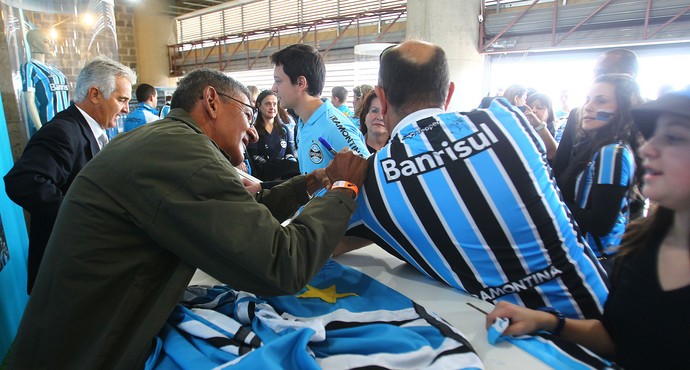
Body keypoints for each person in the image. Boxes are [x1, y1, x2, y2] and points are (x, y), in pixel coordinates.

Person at [8, 68, 368, 369]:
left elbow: (239, 214)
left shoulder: (166, 140)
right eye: (247, 113)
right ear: (212, 101)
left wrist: (312, 181)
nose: (254, 130)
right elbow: (283, 264)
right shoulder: (185, 155)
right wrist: (344, 188)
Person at [338, 40, 608, 320]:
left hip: (521, 345)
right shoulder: (509, 120)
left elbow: (315, 242)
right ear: (449, 92)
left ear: (381, 99)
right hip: (604, 313)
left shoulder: (373, 180)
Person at [485, 88, 690, 370]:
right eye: (655, 135)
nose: (647, 149)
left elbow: (600, 219)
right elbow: (618, 339)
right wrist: (548, 321)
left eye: (675, 138)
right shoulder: (641, 246)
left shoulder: (613, 154)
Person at [4, 56, 135, 294]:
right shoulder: (63, 131)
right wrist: (84, 215)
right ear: (95, 94)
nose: (126, 108)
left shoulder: (89, 130)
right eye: (122, 99)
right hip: (63, 271)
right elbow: (23, 181)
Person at [556, 74, 644, 272]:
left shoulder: (612, 152)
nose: (588, 106)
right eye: (587, 99)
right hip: (589, 257)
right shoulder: (597, 146)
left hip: (597, 261)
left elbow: (601, 222)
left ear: (623, 109)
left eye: (601, 101)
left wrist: (551, 204)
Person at [271, 44, 368, 177]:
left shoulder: (333, 126)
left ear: (300, 83)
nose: (273, 88)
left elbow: (368, 171)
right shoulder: (303, 122)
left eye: (278, 81)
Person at [553, 48, 639, 180]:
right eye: (595, 74)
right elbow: (560, 166)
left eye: (603, 73)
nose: (597, 79)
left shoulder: (646, 120)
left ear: (628, 76)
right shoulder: (578, 114)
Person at [21, 29, 69, 135]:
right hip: (48, 127)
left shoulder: (55, 70)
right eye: (46, 41)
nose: (51, 45)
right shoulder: (29, 67)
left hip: (67, 126)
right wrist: (41, 131)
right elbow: (30, 102)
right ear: (35, 44)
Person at [247, 90, 300, 181]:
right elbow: (254, 158)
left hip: (284, 176)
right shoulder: (253, 130)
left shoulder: (284, 130)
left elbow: (290, 153)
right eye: (268, 104)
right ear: (259, 105)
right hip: (262, 176)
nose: (272, 107)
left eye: (274, 104)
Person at [525, 92, 558, 161]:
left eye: (539, 107)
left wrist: (538, 125)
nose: (533, 110)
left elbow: (552, 154)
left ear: (549, 113)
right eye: (530, 107)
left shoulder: (557, 132)